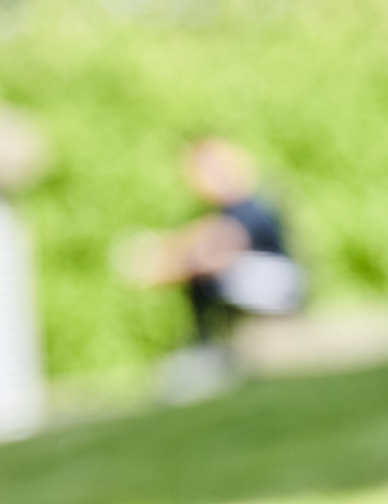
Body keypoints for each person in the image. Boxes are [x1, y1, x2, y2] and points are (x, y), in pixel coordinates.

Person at [120, 137, 305, 353]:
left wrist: (164, 267)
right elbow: (199, 239)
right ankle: (211, 345)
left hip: (280, 288)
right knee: (204, 275)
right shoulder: (224, 211)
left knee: (206, 276)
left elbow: (212, 251)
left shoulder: (249, 208)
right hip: (265, 286)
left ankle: (207, 347)